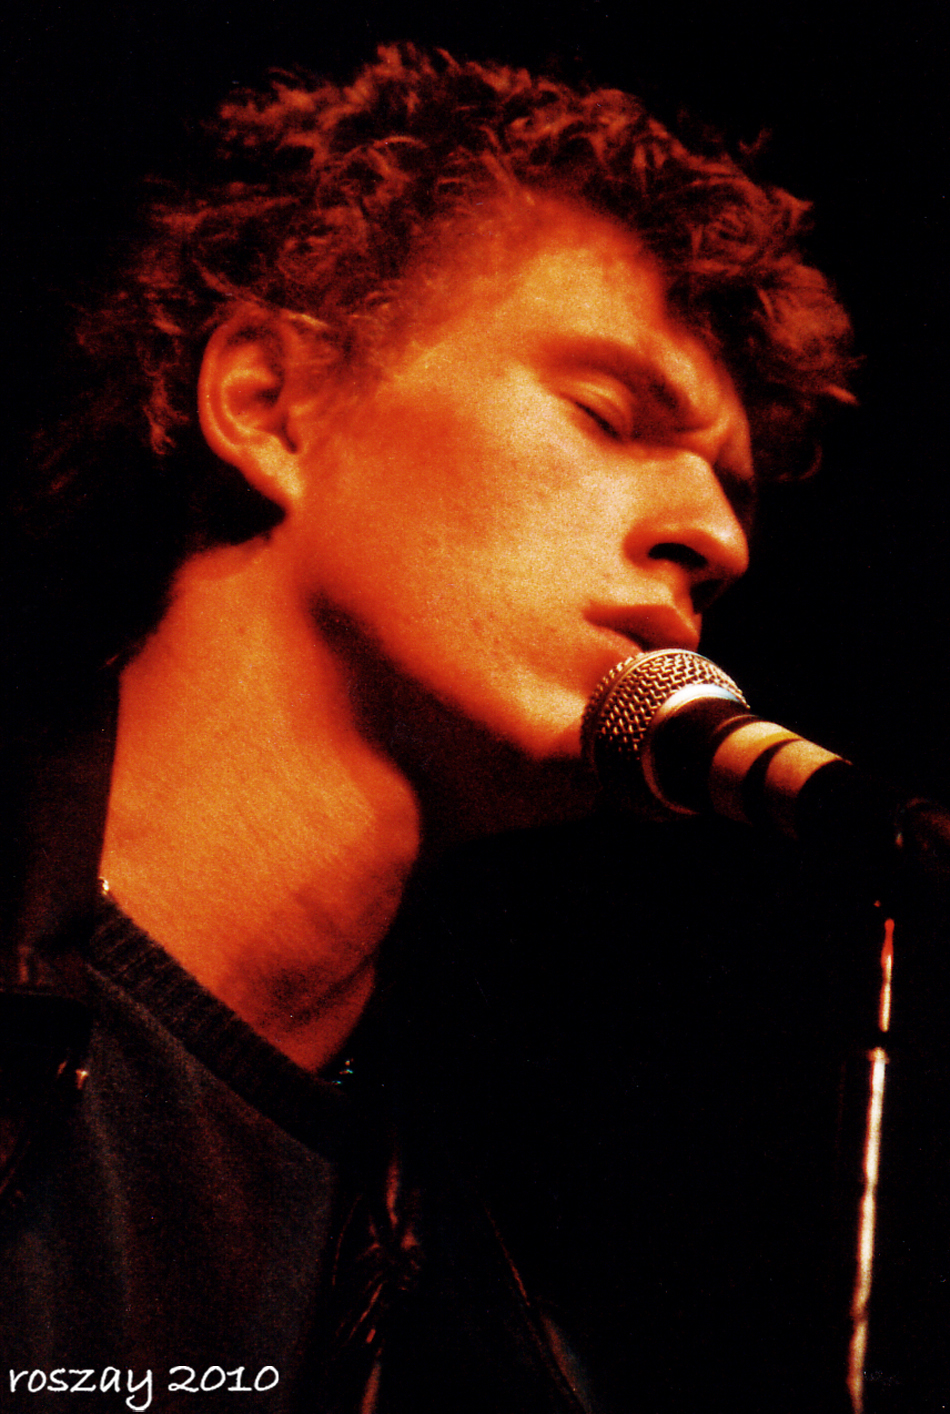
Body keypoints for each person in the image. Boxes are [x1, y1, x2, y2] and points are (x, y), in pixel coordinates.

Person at [2, 44, 856, 1411]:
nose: (714, 537)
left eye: (733, 495)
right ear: (271, 405)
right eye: (609, 414)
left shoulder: (487, 1303)